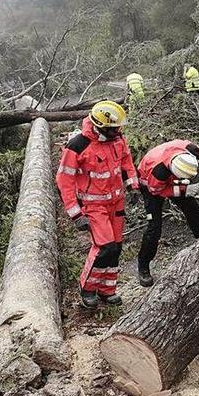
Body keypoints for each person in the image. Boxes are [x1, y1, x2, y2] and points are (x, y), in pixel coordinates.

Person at [56, 100, 139, 308]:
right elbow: (64, 180)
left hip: (116, 203)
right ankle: (87, 289)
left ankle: (107, 290)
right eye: (114, 128)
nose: (118, 131)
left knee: (116, 248)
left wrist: (133, 185)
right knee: (104, 247)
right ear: (100, 125)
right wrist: (75, 213)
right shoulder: (78, 145)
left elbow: (126, 162)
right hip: (93, 206)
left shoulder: (118, 139)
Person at [136, 139, 199, 286]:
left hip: (173, 176)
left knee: (194, 211)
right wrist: (185, 190)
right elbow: (157, 190)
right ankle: (143, 266)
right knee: (154, 228)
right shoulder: (158, 171)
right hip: (151, 186)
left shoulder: (189, 149)